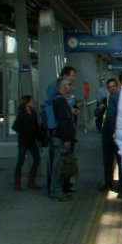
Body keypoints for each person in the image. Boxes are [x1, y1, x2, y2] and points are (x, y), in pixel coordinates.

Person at [45, 65, 78, 193]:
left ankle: (63, 186)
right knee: (58, 163)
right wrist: (64, 137)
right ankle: (55, 189)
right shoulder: (58, 97)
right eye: (71, 78)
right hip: (60, 134)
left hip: (63, 133)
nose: (72, 85)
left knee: (65, 161)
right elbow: (61, 118)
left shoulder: (64, 97)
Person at [11, 95, 43, 191]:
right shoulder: (22, 114)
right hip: (24, 141)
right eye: (31, 101)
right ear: (27, 102)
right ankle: (17, 183)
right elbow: (15, 127)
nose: (32, 102)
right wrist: (25, 131)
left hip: (32, 141)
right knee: (21, 161)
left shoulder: (33, 113)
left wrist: (39, 139)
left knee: (37, 159)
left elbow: (36, 127)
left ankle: (31, 181)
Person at [99, 77, 121, 192]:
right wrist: (100, 109)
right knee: (107, 160)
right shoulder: (105, 99)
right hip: (107, 134)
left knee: (119, 160)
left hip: (116, 133)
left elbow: (113, 116)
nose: (112, 89)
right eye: (109, 87)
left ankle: (121, 184)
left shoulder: (119, 99)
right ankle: (109, 183)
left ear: (117, 86)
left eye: (113, 86)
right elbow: (96, 113)